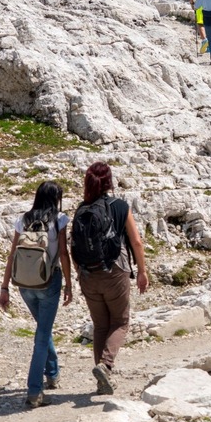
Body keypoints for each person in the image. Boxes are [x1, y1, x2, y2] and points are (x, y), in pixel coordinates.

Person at [72, 162, 148, 396]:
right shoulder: (120, 206)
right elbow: (135, 242)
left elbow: (73, 245)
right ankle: (105, 366)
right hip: (115, 271)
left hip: (88, 274)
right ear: (109, 182)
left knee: (100, 326)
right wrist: (143, 272)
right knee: (121, 321)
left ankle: (101, 381)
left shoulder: (81, 209)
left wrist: (79, 274)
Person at [0, 181, 73, 408]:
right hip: (49, 282)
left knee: (43, 327)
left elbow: (12, 255)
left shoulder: (23, 219)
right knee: (42, 335)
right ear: (55, 198)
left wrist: (4, 287)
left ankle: (52, 373)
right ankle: (34, 390)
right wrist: (69, 283)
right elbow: (62, 252)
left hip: (24, 284)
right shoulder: (59, 220)